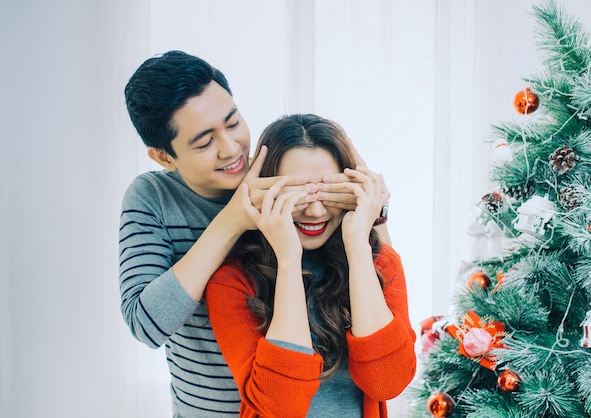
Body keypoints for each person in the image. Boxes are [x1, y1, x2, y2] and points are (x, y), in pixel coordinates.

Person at [120, 51, 391, 417]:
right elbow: (147, 323)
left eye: (233, 123)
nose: (231, 149)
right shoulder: (152, 197)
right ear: (163, 157)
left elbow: (379, 280)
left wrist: (373, 211)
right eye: (204, 143)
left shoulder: (278, 174)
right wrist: (234, 219)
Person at [206, 114, 416, 418]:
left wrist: (357, 244)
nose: (316, 211)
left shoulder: (382, 263)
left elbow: (388, 382)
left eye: (328, 192)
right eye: (298, 193)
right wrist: (288, 260)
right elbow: (280, 408)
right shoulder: (232, 281)